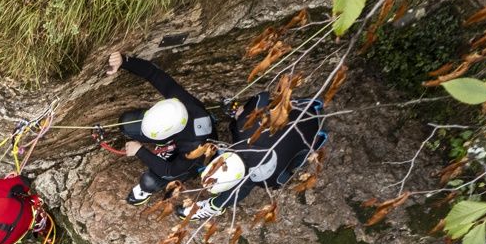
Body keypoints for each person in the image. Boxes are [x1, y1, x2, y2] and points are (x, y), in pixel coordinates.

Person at [176, 94, 328, 219]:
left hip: (317, 133)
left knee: (250, 180)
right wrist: (240, 113)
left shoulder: (269, 178)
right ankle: (216, 205)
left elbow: (284, 177)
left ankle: (216, 206)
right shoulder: (244, 128)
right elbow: (262, 97)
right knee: (252, 171)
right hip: (309, 107)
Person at [104, 51, 218, 206]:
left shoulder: (195, 150)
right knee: (127, 124)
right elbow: (153, 73)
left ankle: (147, 189)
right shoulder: (180, 102)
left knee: (149, 181)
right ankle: (167, 145)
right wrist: (124, 61)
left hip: (188, 158)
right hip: (181, 136)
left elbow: (170, 171)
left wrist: (140, 151)